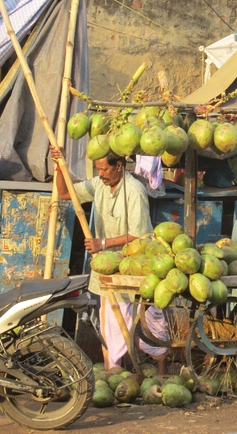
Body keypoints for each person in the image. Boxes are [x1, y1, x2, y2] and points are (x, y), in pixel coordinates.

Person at [50, 146, 167, 372]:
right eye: (98, 169)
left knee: (141, 324)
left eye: (104, 169)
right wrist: (59, 165)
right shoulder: (99, 185)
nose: (101, 173)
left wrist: (102, 243)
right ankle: (116, 371)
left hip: (132, 268)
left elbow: (140, 234)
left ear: (119, 166)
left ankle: (161, 370)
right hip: (107, 269)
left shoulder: (134, 191)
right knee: (111, 325)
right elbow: (66, 194)